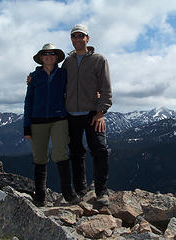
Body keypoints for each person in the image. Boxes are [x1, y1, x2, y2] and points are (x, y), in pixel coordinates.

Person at [23, 43, 80, 207]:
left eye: (52, 54)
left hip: (59, 119)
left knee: (61, 154)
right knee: (39, 158)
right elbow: (29, 102)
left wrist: (95, 93)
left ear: (56, 58)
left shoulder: (64, 74)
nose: (48, 56)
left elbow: (77, 85)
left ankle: (69, 194)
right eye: (45, 54)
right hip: (37, 121)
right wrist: (26, 126)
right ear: (41, 58)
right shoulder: (34, 77)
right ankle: (40, 197)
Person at [62, 24, 112, 206]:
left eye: (80, 36)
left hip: (92, 113)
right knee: (76, 153)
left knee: (100, 150)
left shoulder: (99, 60)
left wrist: (101, 112)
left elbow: (106, 88)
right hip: (71, 114)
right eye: (74, 36)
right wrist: (33, 77)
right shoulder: (67, 62)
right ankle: (81, 190)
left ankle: (101, 191)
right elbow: (59, 83)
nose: (77, 39)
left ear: (87, 39)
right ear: (71, 39)